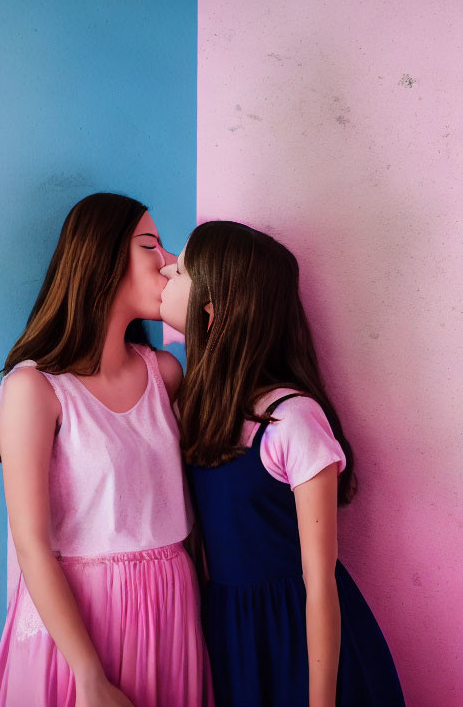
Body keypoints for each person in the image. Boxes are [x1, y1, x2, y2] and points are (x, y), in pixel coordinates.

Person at [159, 220, 404, 707]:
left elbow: (320, 581)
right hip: (228, 631)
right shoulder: (190, 408)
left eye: (182, 270)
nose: (165, 269)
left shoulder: (292, 420)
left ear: (209, 311)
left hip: (301, 639)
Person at [0, 193, 213, 707]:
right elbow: (31, 544)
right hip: (78, 626)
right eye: (150, 244)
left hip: (170, 610)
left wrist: (190, 313)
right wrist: (87, 674)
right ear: (103, 260)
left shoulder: (166, 374)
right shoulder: (35, 389)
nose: (170, 261)